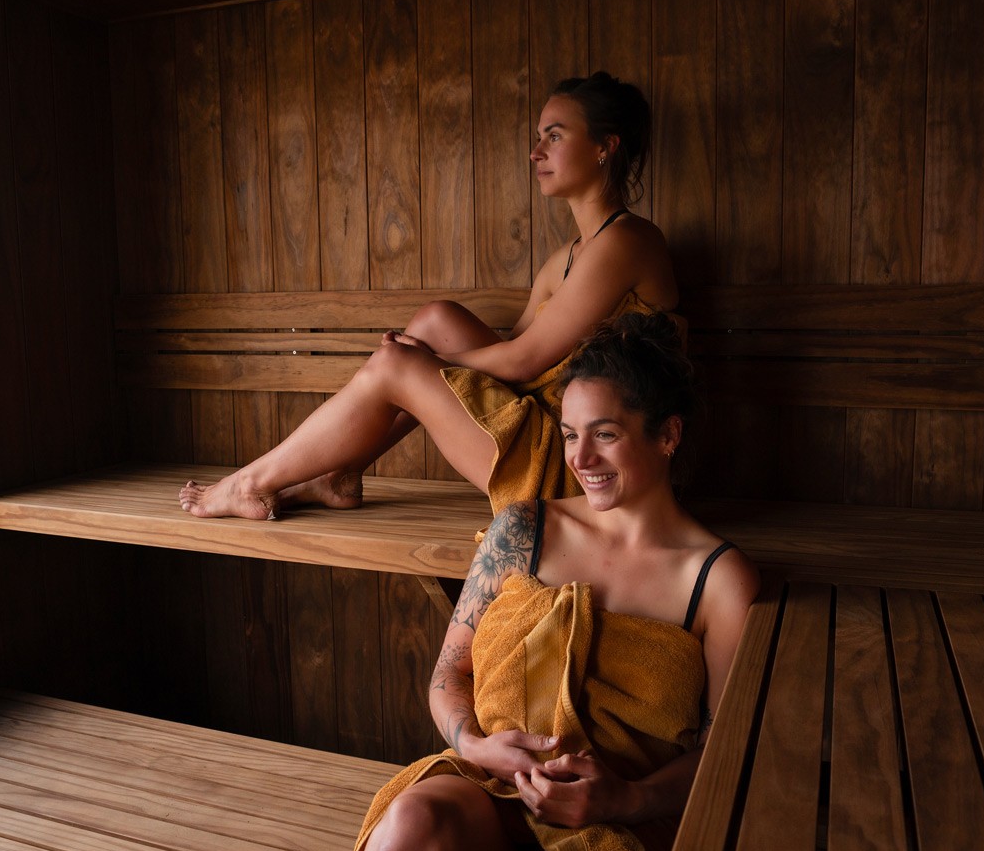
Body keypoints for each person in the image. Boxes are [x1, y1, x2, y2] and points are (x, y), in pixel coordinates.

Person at [251, 313, 759, 851]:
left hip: (621, 831)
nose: (579, 459)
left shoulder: (718, 583)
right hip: (497, 789)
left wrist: (623, 795)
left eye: (606, 436)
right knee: (411, 820)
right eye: (567, 435)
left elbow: (729, 761)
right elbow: (447, 677)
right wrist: (477, 745)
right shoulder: (522, 529)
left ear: (667, 436)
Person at [178, 72, 679, 520]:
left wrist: (423, 364)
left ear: (604, 147)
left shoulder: (627, 241)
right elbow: (516, 363)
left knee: (397, 363)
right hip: (545, 425)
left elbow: (525, 361)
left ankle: (251, 482)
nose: (536, 152)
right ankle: (340, 473)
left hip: (581, 465)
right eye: (537, 137)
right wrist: (432, 359)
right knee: (437, 319)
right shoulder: (565, 259)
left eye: (554, 135)